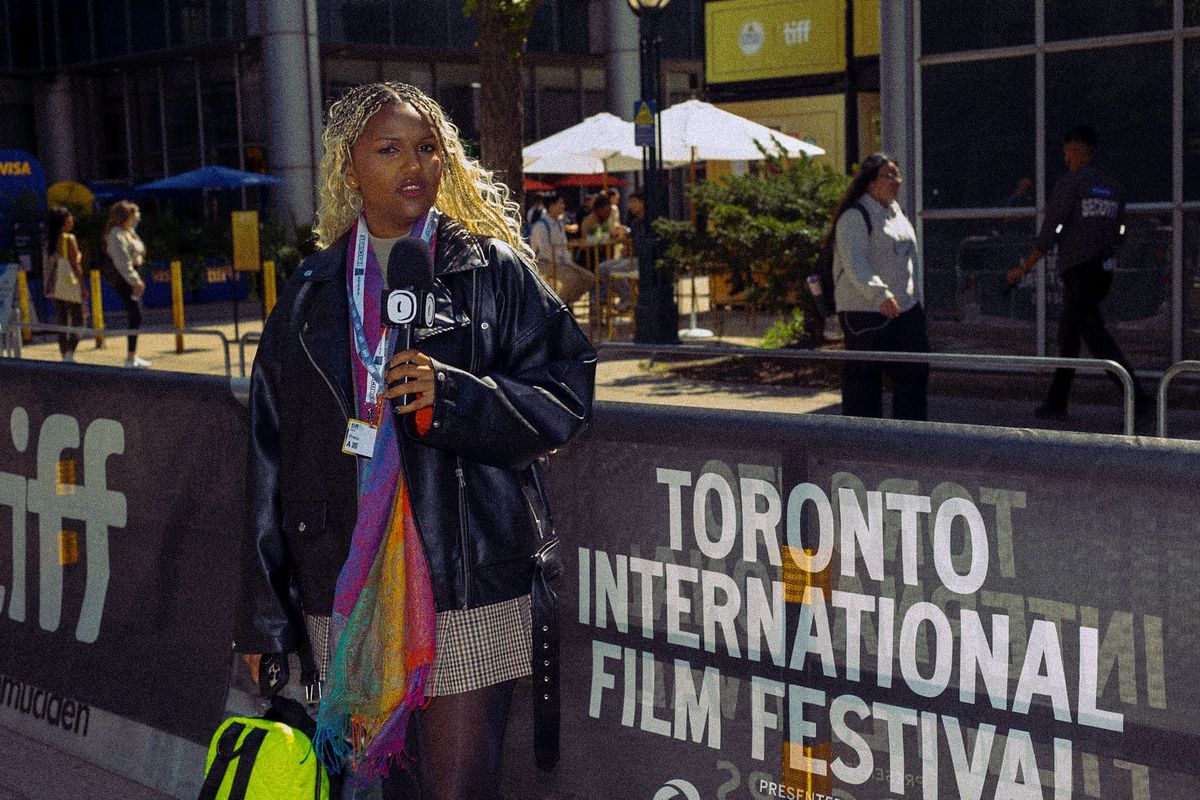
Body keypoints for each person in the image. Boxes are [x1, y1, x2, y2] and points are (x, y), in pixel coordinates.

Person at [235, 81, 596, 800]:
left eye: (429, 148)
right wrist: (264, 622)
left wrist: (459, 397)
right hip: (343, 589)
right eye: (390, 148)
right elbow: (267, 462)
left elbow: (569, 393)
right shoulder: (308, 294)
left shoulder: (493, 272)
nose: (415, 165)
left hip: (468, 580)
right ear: (349, 169)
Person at [1006, 125, 1151, 421]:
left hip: (1079, 269)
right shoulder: (1113, 188)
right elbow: (1122, 230)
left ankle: (1138, 397)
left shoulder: (1070, 184)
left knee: (1094, 334)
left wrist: (1024, 268)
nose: (1065, 157)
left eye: (1066, 151)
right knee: (1069, 334)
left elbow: (1052, 230)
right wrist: (1107, 237)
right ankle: (1057, 402)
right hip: (1103, 269)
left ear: (1076, 150)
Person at [831, 153, 929, 420]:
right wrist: (880, 294)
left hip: (905, 309)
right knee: (864, 380)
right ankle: (862, 440)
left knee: (914, 373)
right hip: (865, 313)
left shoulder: (898, 213)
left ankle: (910, 435)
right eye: (889, 175)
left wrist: (915, 298)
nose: (896, 181)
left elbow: (910, 260)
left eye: (897, 175)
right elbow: (855, 263)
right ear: (870, 183)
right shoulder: (855, 216)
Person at [102, 200, 151, 368]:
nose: (136, 218)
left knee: (136, 315)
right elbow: (122, 262)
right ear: (125, 216)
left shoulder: (128, 231)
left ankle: (133, 355)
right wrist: (135, 281)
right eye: (133, 215)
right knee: (135, 314)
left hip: (131, 276)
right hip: (124, 279)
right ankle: (131, 357)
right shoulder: (116, 234)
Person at [529, 192, 594, 306]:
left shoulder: (559, 224)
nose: (563, 206)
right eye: (560, 203)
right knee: (572, 278)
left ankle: (565, 302)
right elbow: (545, 251)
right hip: (544, 263)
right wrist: (564, 264)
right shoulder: (540, 225)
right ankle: (557, 308)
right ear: (551, 206)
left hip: (562, 262)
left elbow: (563, 247)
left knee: (589, 278)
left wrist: (569, 263)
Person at [43, 206, 85, 363]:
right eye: (70, 217)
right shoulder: (69, 239)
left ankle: (64, 355)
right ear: (65, 221)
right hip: (70, 283)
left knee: (62, 320)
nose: (72, 220)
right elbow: (75, 265)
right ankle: (69, 353)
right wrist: (82, 286)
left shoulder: (49, 241)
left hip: (56, 286)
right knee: (79, 321)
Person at [594, 191, 645, 312]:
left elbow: (641, 245)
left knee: (614, 270)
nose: (630, 205)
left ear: (642, 203)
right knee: (601, 268)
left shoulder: (646, 221)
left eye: (633, 202)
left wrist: (630, 247)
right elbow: (630, 240)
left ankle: (627, 298)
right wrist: (626, 244)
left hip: (642, 259)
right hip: (631, 257)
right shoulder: (635, 221)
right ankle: (627, 296)